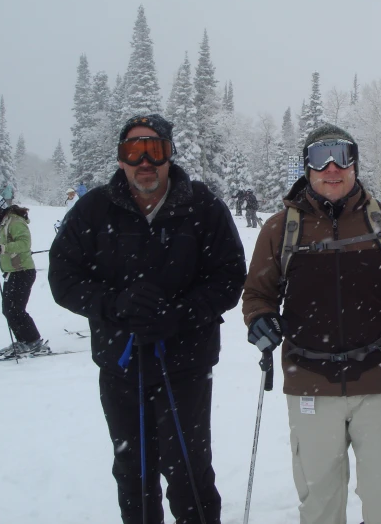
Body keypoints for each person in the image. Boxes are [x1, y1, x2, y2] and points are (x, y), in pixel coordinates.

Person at [48, 114, 246, 524]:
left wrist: (181, 314)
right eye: (132, 150)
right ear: (120, 160)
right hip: (121, 365)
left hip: (186, 366)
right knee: (133, 474)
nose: (144, 160)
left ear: (169, 155)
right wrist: (114, 304)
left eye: (154, 150)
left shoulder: (203, 207)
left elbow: (229, 277)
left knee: (190, 473)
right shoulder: (93, 209)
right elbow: (63, 278)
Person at [243, 123, 381, 524]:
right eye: (319, 157)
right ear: (307, 168)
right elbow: (257, 293)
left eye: (342, 156)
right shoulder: (280, 229)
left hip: (378, 377)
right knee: (320, 506)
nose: (332, 167)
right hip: (309, 380)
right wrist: (260, 320)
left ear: (355, 163)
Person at [0, 195, 50, 356]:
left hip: (22, 271)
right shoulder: (6, 223)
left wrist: (1, 248)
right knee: (9, 309)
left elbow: (24, 244)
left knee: (15, 309)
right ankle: (24, 341)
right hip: (13, 272)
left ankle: (33, 341)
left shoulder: (15, 222)